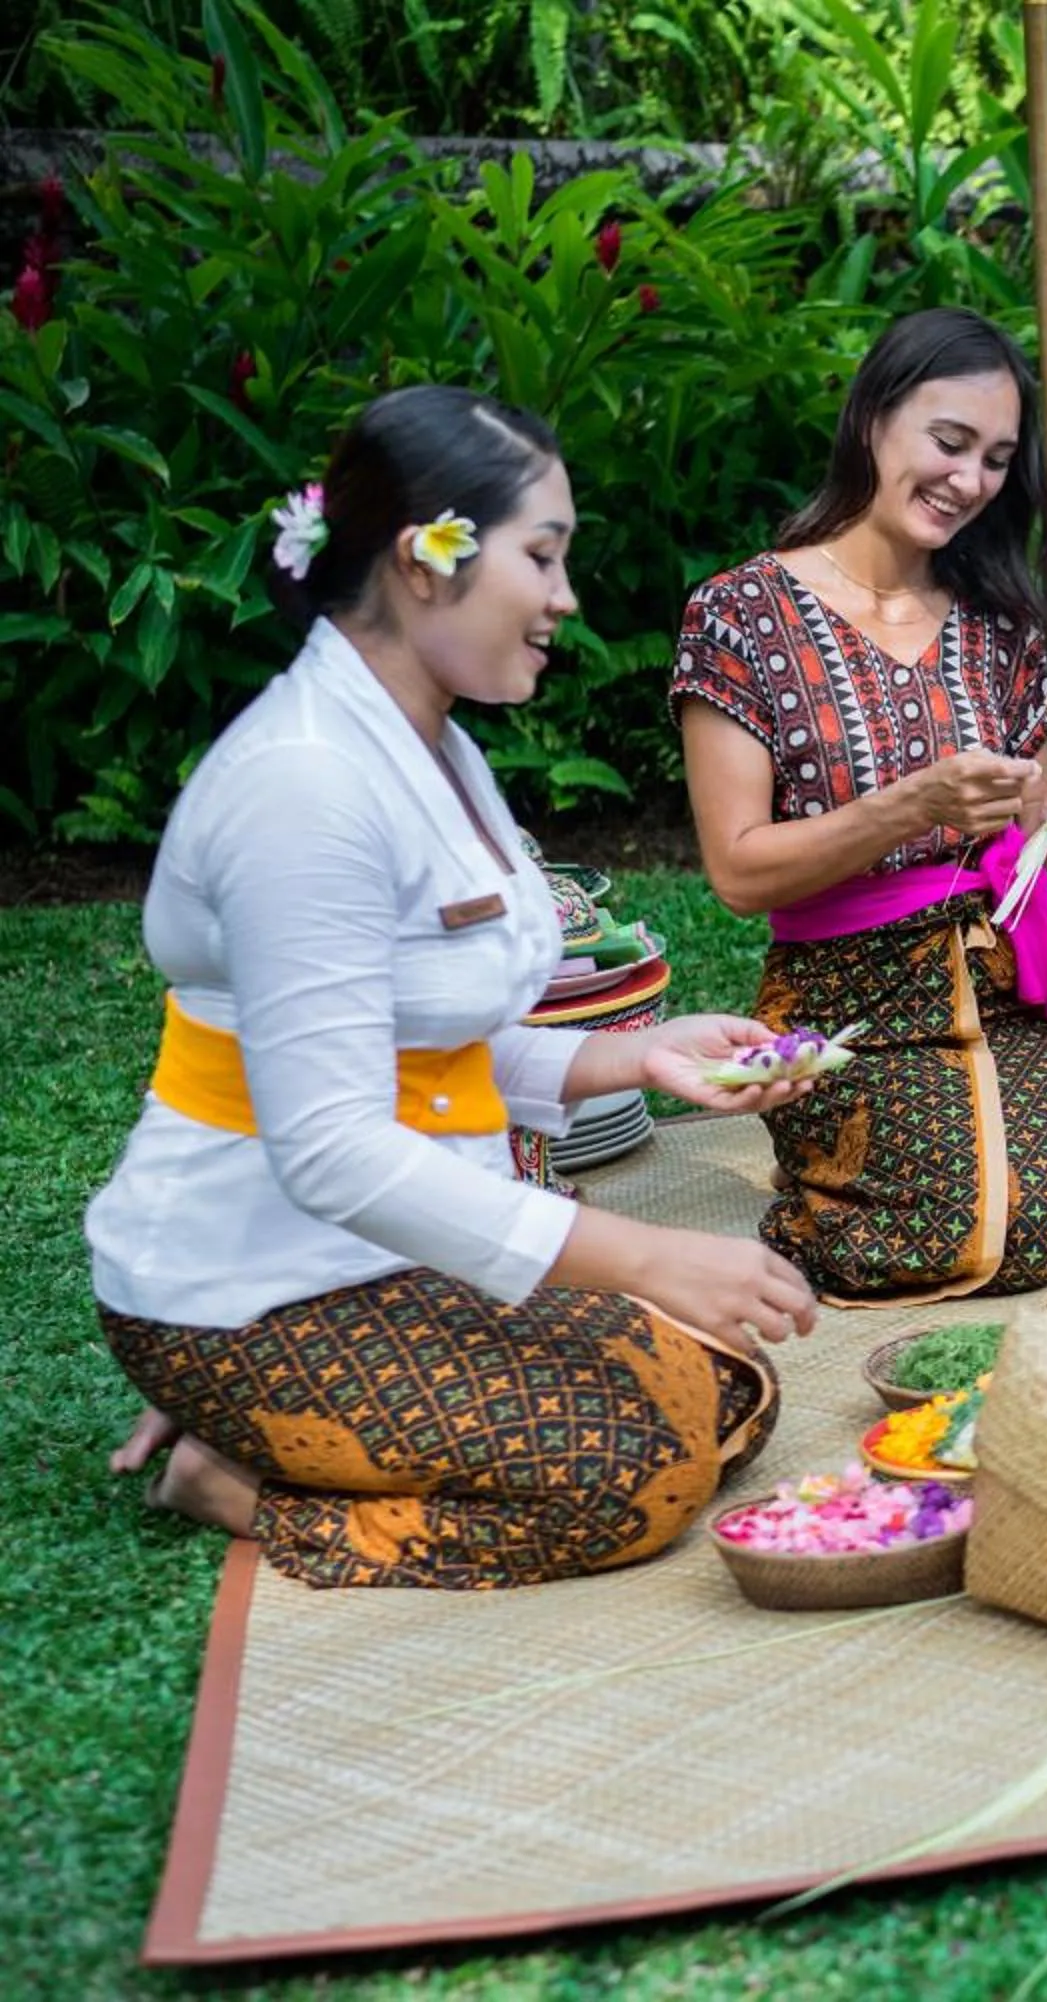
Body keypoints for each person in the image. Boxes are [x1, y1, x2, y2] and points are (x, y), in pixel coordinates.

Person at [90, 386, 816, 1591]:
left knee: (725, 1390)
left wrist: (633, 1054)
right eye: (544, 556)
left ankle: (307, 1437)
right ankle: (240, 1478)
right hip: (252, 1288)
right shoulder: (304, 786)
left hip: (385, 1255)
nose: (567, 600)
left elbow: (425, 1037)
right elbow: (330, 1147)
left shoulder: (431, 741)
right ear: (427, 563)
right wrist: (639, 1253)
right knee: (634, 1472)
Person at [674, 307, 1047, 1301]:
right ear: (873, 418)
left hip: (998, 983)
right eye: (949, 442)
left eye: (997, 459)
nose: (970, 480)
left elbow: (1013, 818)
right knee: (964, 1218)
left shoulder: (1000, 621)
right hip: (846, 1001)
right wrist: (909, 804)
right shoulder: (742, 613)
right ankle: (830, 1175)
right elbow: (738, 871)